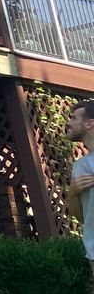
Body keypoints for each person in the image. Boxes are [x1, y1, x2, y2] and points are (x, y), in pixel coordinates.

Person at [68, 99, 94, 260]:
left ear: (89, 124)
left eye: (73, 118)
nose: (68, 122)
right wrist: (72, 192)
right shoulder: (80, 165)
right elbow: (82, 217)